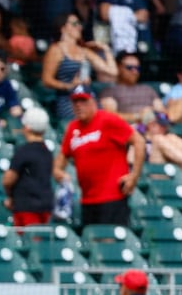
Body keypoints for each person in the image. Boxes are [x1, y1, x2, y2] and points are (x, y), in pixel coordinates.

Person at [54, 85, 143, 231]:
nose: (78, 105)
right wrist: (58, 172)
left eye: (83, 101)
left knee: (110, 244)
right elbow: (62, 157)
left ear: (93, 102)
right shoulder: (73, 128)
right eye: (75, 102)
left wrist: (134, 176)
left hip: (112, 198)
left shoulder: (107, 120)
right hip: (87, 200)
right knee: (94, 243)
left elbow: (138, 141)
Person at [43, 14, 116, 126]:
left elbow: (112, 71)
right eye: (74, 24)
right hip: (69, 100)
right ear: (63, 28)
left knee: (105, 120)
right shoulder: (56, 49)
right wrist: (69, 86)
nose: (79, 27)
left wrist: (105, 49)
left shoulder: (84, 51)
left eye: (79, 24)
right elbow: (46, 80)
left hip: (87, 97)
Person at [3, 107, 54, 230]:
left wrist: (10, 196)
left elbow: (8, 180)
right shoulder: (47, 151)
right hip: (45, 205)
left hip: (26, 206)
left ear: (27, 128)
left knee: (30, 242)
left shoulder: (23, 151)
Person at [102, 51, 163, 123]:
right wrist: (137, 116)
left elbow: (162, 112)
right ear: (119, 67)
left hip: (154, 126)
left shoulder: (147, 89)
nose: (135, 71)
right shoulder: (110, 91)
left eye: (137, 68)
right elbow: (110, 116)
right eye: (129, 67)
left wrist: (152, 112)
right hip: (128, 129)